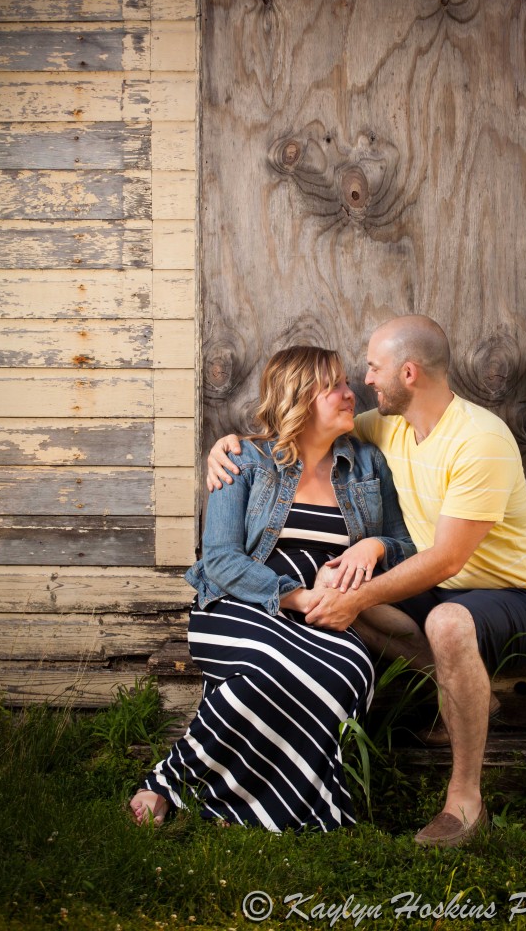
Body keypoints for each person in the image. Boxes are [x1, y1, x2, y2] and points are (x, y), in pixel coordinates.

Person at [208, 316, 526, 848]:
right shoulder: (385, 426)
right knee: (336, 582)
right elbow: (301, 425)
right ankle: (472, 695)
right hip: (439, 587)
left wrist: (360, 587)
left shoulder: (480, 439)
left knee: (442, 620)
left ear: (408, 372)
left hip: (514, 594)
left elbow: (445, 559)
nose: (362, 381)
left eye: (373, 369)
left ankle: (465, 802)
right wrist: (229, 443)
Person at [130, 345, 415, 832]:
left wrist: (375, 549)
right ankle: (168, 781)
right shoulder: (244, 459)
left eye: (349, 384)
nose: (353, 394)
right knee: (268, 666)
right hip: (240, 601)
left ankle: (247, 807)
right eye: (337, 387)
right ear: (301, 398)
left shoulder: (369, 465)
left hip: (330, 613)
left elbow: (406, 547)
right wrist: (297, 597)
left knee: (347, 670)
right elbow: (219, 559)